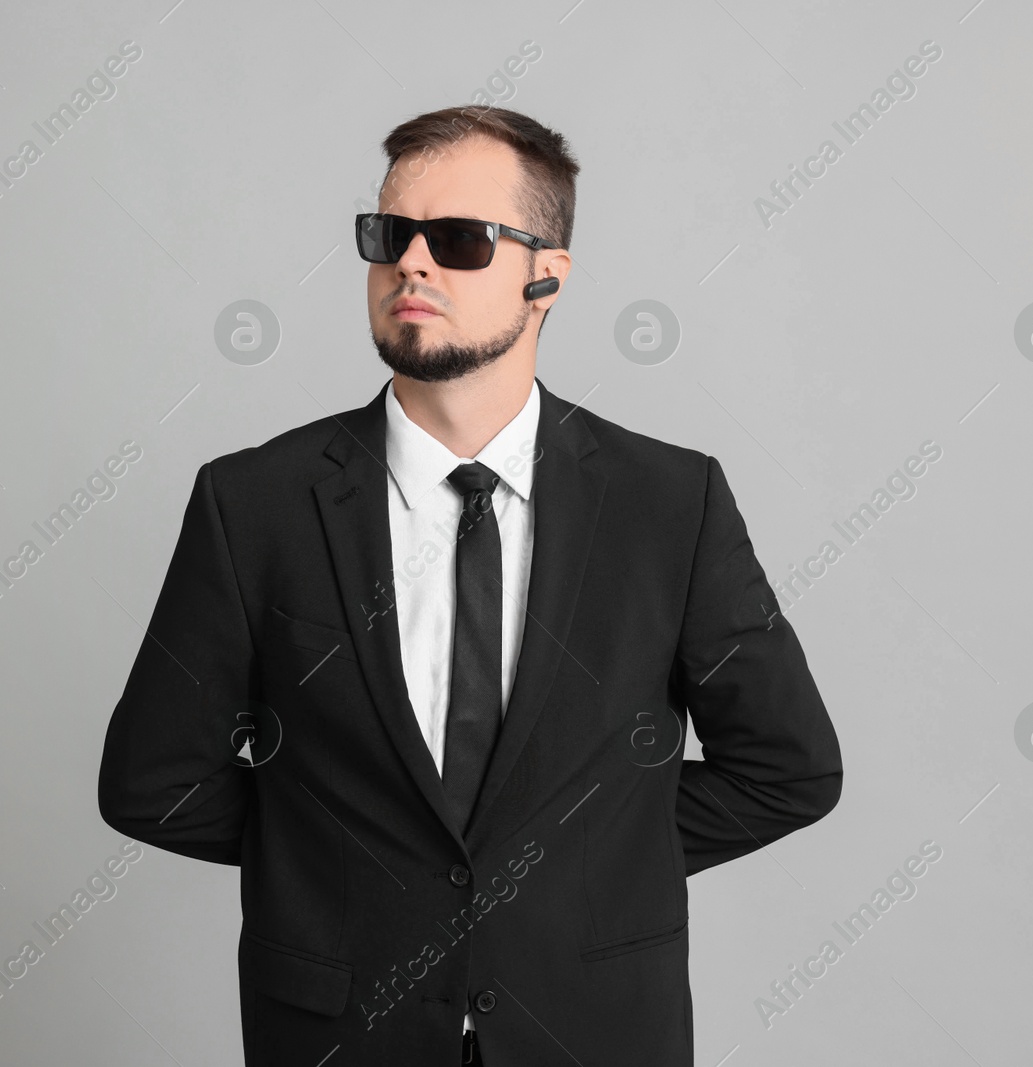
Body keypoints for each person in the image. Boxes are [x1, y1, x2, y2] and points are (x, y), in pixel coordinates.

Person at [98, 104, 842, 1066]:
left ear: (546, 276)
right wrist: (343, 872)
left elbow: (788, 770)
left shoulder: (670, 503)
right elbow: (151, 783)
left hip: (596, 1029)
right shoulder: (255, 502)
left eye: (456, 241)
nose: (412, 262)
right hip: (338, 1034)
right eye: (388, 235)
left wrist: (577, 867)